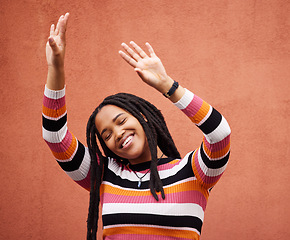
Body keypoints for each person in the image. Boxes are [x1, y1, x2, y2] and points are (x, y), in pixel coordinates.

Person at [42, 13, 231, 240]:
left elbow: (219, 134)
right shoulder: (104, 175)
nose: (118, 134)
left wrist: (168, 86)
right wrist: (56, 68)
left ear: (145, 119)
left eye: (121, 121)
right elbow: (55, 135)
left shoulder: (194, 173)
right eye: (107, 135)